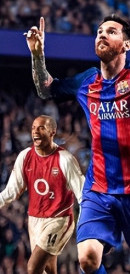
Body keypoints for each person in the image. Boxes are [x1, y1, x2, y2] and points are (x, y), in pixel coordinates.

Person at [25, 13, 130, 274]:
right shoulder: (86, 81)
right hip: (99, 188)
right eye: (100, 31)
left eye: (111, 31)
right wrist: (37, 54)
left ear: (126, 44)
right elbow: (46, 89)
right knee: (87, 258)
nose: (102, 34)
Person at [0, 115, 85, 274]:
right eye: (33, 128)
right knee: (47, 269)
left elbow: (83, 195)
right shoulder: (25, 156)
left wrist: (85, 225)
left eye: (41, 128)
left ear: (52, 132)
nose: (36, 132)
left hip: (59, 219)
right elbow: (11, 191)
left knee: (33, 267)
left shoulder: (65, 159)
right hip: (34, 220)